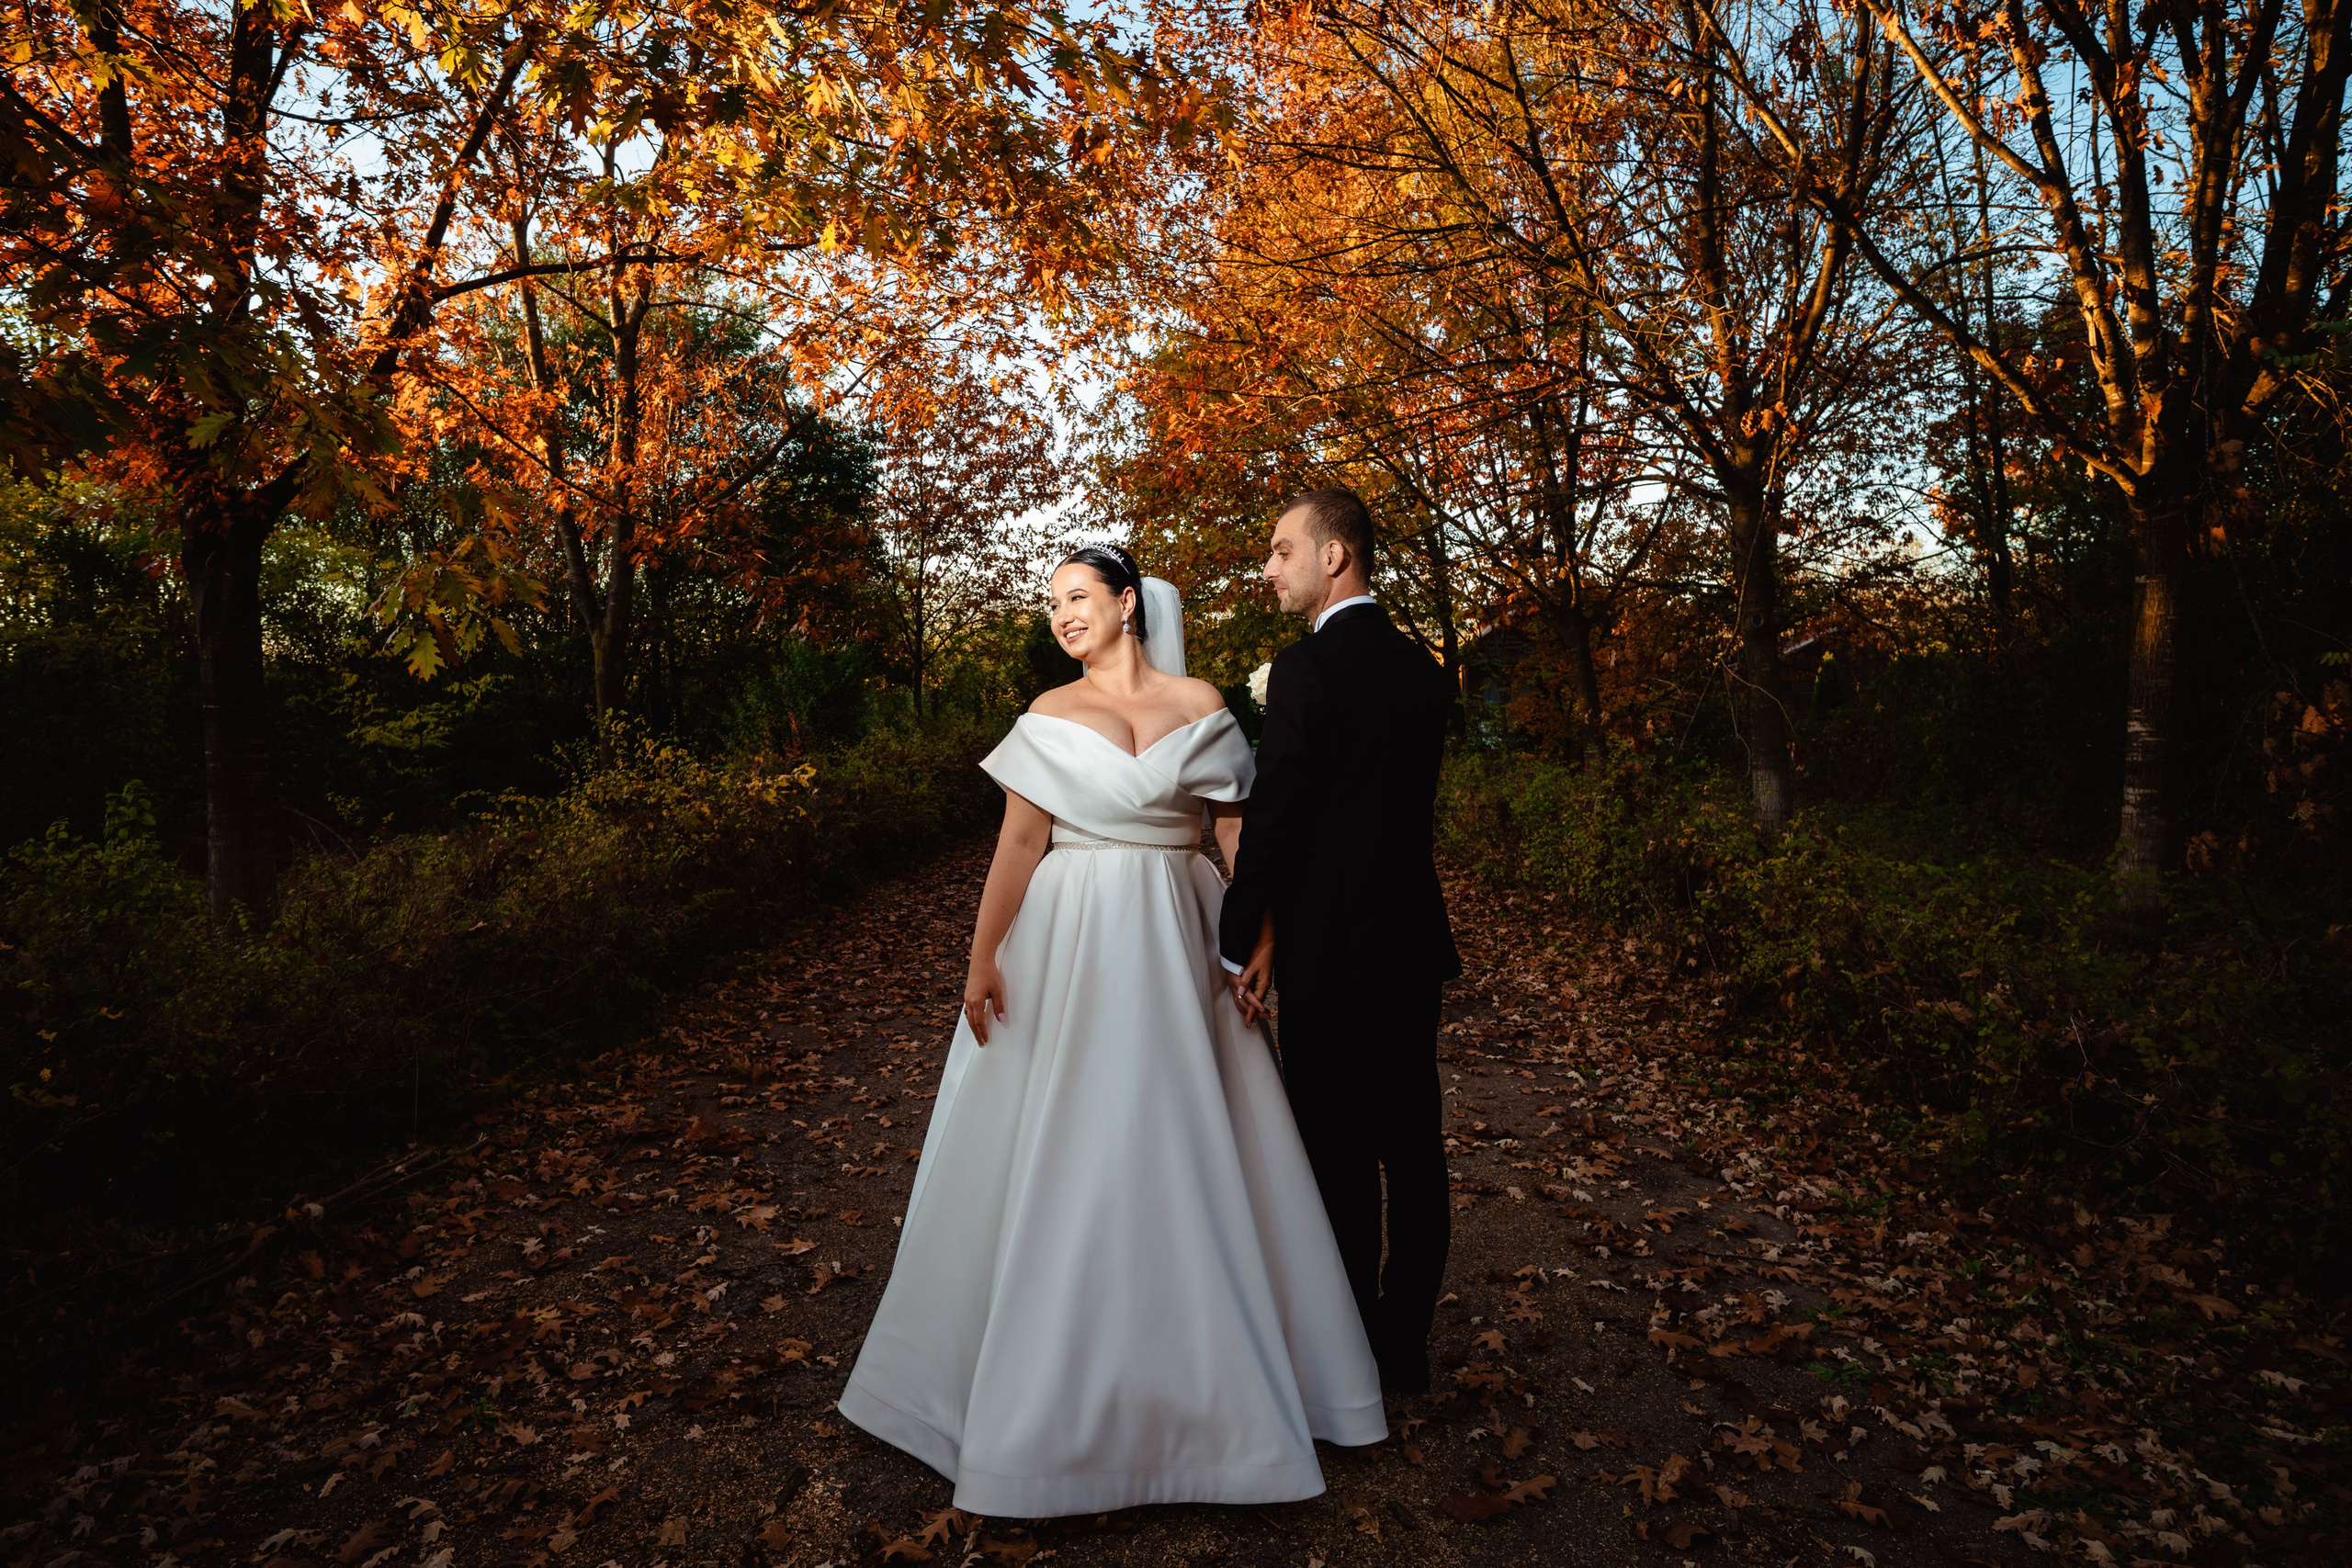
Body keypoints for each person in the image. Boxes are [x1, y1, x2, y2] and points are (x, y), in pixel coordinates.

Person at [838, 544, 1385, 1517]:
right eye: (1053, 605)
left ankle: (1219, 1396)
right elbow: (1018, 840)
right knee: (1069, 1138)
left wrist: (1258, 939)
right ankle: (1029, 1397)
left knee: (1195, 1141)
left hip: (1181, 938)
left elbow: (1232, 837)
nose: (1064, 616)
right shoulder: (1049, 716)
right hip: (1070, 939)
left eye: (1080, 598)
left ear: (1129, 604)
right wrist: (980, 957)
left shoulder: (1198, 700)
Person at [1221, 488, 1461, 1395]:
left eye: (1283, 550)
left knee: (1337, 1150)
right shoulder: (1421, 669)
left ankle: (1355, 1343)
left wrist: (1237, 935)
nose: (1270, 567)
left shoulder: (1303, 671)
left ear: (1336, 556)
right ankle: (1405, 1345)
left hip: (1326, 949)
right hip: (1406, 941)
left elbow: (1275, 819)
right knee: (1412, 1144)